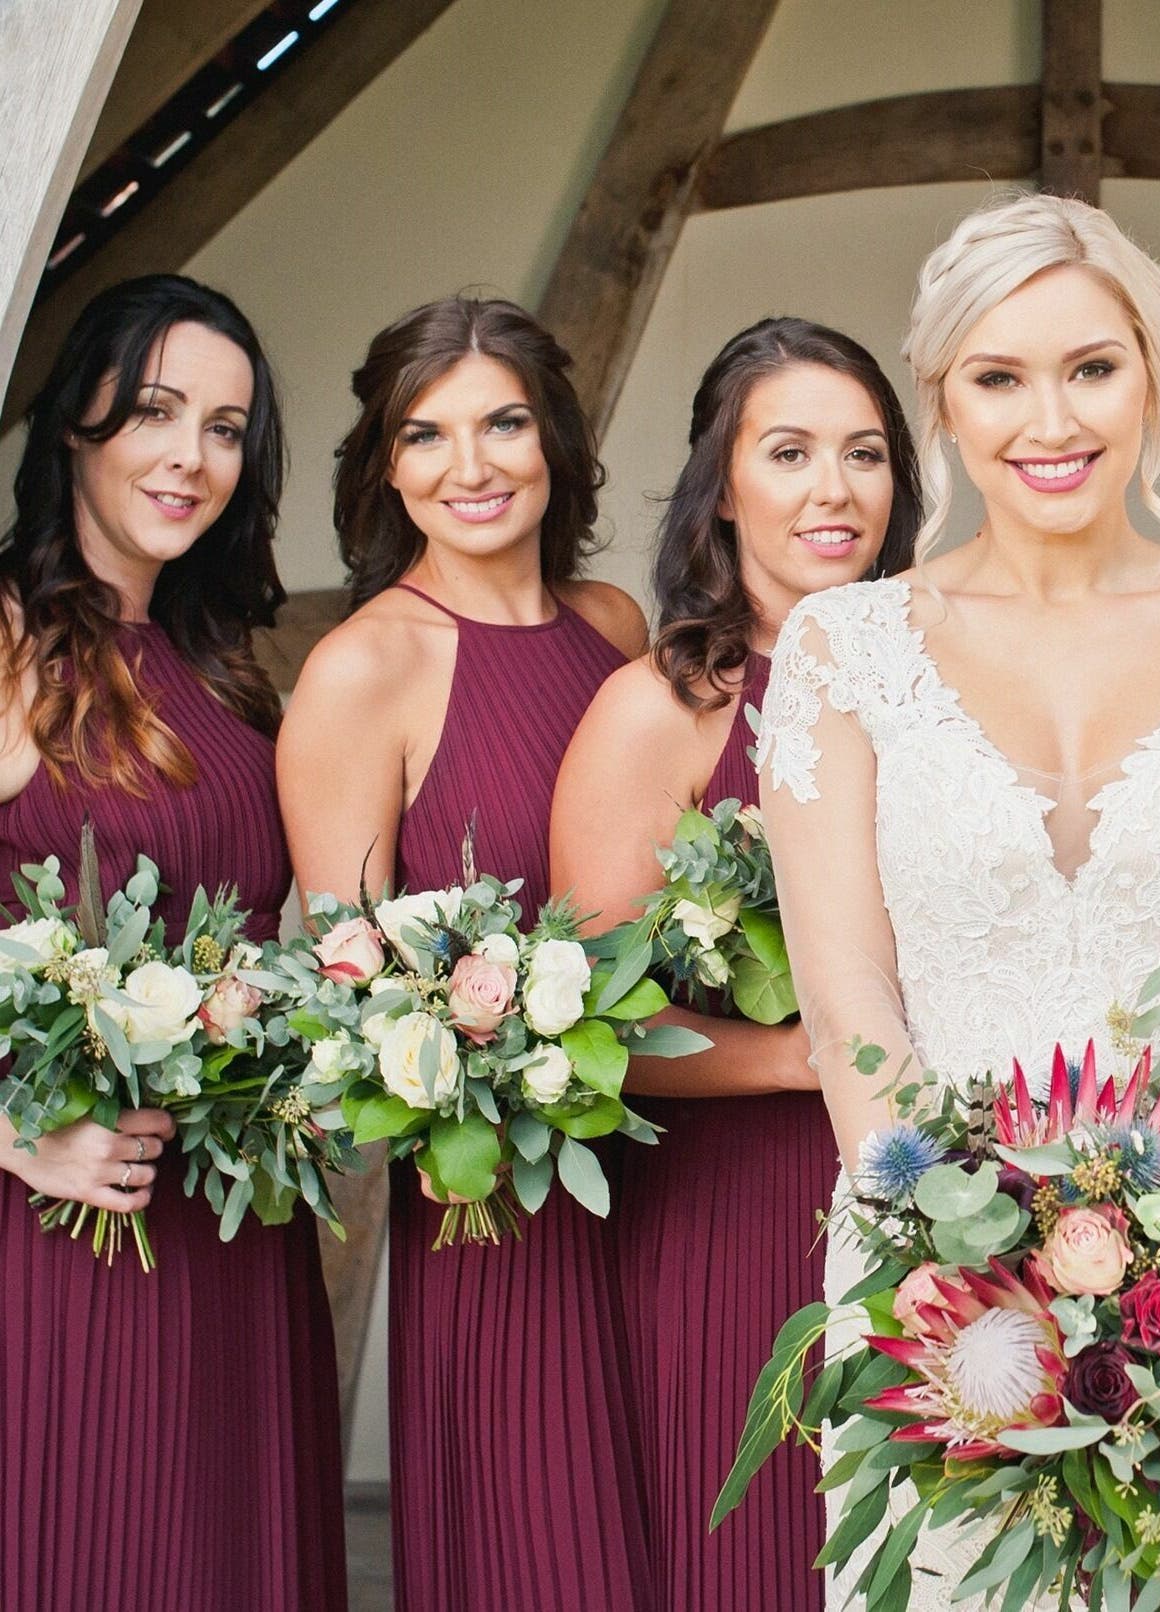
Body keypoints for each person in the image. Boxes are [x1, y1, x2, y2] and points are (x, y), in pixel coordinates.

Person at [757, 191, 1160, 1610]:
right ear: (939, 399)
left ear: (1151, 374)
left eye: (1091, 367)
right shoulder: (843, 648)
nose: (1051, 420)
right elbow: (846, 995)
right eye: (998, 377)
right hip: (932, 1277)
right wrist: (951, 1245)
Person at [278, 295, 649, 1612]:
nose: (471, 465)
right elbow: (349, 988)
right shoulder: (362, 667)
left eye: (504, 423)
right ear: (385, 467)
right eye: (426, 435)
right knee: (545, 1558)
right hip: (502, 1197)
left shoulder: (615, 627)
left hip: (666, 1158)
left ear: (556, 441)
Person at [550, 316, 919, 1611]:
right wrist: (805, 1057)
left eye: (864, 453)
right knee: (757, 1563)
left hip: (948, 1198)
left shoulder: (945, 689)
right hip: (739, 1207)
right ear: (721, 485)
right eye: (790, 452)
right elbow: (588, 1028)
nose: (834, 489)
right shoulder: (663, 708)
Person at [0, 273, 345, 1610]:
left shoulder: (225, 670)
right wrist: (16, 1134)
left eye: (225, 426)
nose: (189, 455)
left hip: (231, 1231)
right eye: (153, 410)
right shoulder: (13, 641)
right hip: (58, 1226)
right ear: (75, 422)